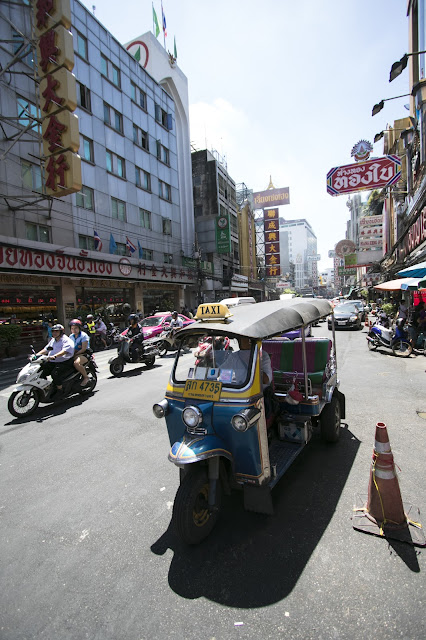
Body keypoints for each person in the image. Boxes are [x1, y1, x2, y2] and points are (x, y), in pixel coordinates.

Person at [35, 324, 75, 395]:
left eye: (56, 331)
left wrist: (55, 356)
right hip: (53, 361)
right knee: (40, 371)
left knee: (55, 374)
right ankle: (46, 387)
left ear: (61, 332)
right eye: (53, 331)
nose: (54, 333)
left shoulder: (66, 340)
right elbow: (46, 349)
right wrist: (36, 355)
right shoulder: (53, 340)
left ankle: (60, 390)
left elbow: (65, 351)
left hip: (64, 362)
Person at [69, 319, 90, 386]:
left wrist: (74, 354)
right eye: (72, 328)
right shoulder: (71, 336)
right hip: (74, 354)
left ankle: (86, 377)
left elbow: (83, 349)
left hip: (84, 354)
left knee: (76, 363)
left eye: (75, 328)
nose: (74, 330)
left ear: (79, 328)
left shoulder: (84, 336)